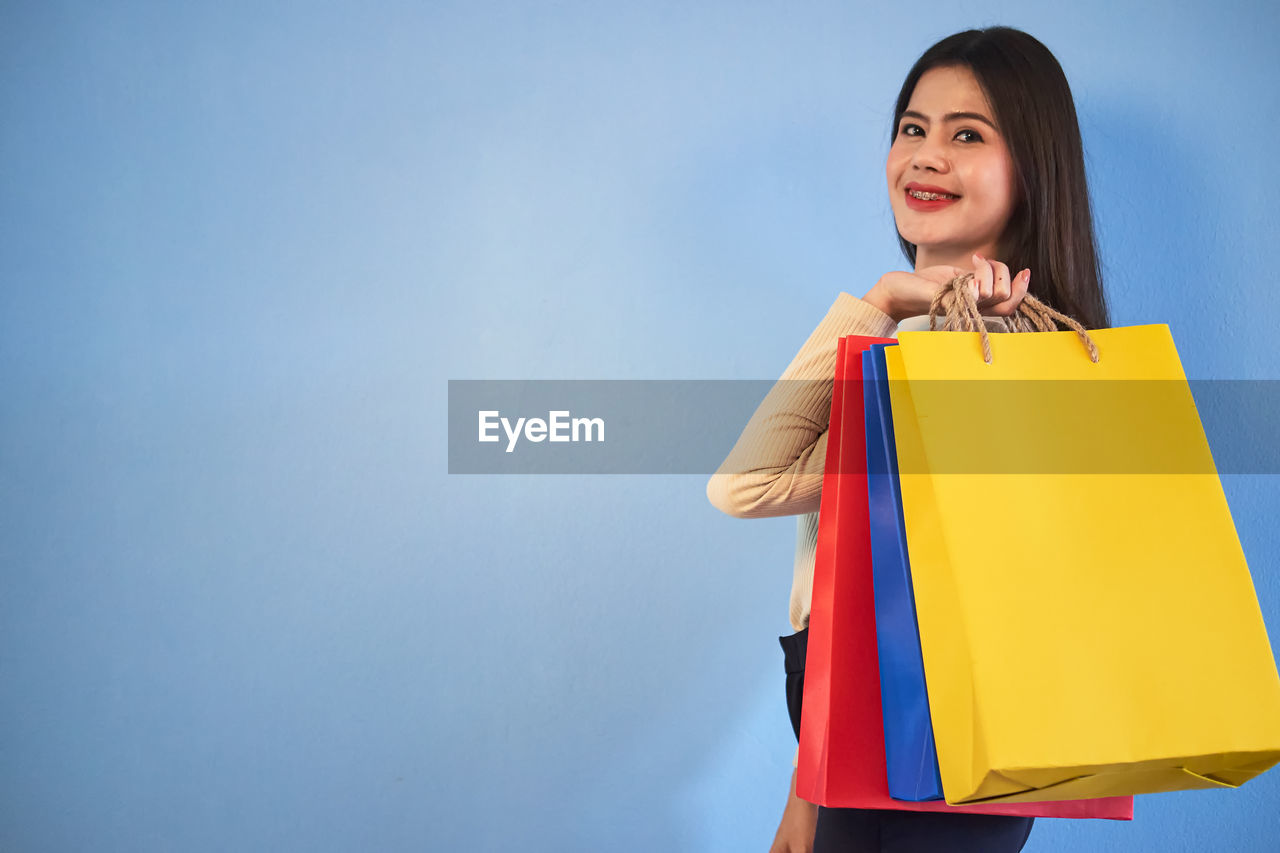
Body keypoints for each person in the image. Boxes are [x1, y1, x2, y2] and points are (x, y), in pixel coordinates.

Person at [706, 26, 1110, 853]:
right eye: (913, 128)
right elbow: (862, 575)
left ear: (1031, 169)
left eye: (968, 134)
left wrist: (882, 304)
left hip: (930, 722)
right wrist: (808, 782)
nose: (926, 155)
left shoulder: (994, 356)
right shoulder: (907, 336)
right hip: (856, 715)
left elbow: (744, 485)